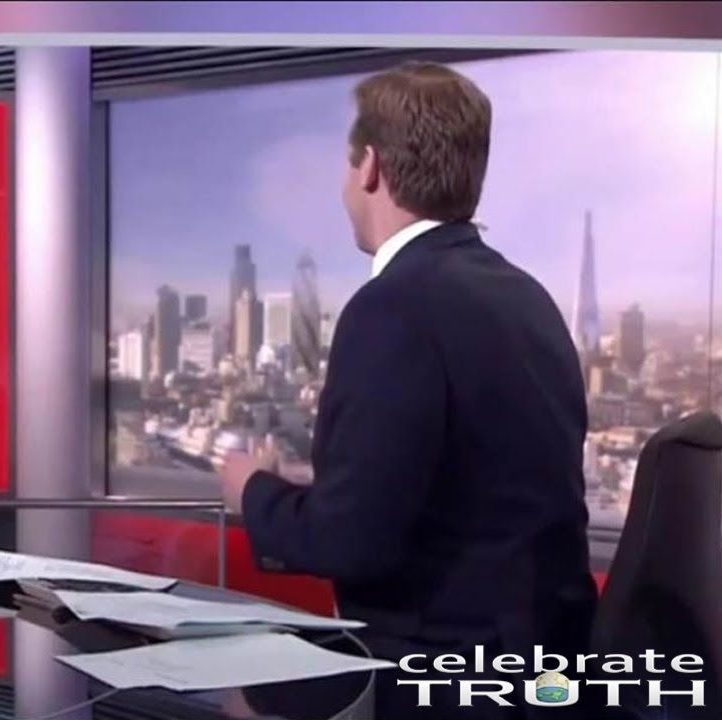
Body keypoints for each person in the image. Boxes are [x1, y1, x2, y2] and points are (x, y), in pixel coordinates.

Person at [219, 62, 598, 719]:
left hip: (437, 682)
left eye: (346, 165)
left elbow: (351, 543)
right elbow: (471, 486)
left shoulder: (392, 306)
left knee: (226, 698)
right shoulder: (529, 299)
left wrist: (250, 489)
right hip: (549, 679)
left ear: (370, 166)